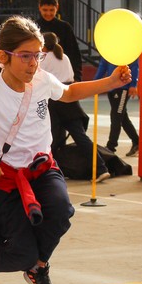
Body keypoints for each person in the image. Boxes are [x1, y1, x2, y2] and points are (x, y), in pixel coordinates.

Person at [0, 15, 131, 284]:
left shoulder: (41, 79)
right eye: (26, 56)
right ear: (4, 56)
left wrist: (111, 81)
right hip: (8, 179)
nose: (33, 63)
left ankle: (38, 268)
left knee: (61, 212)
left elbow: (69, 93)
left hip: (43, 169)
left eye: (38, 56)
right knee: (21, 251)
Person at [40, 32, 110, 183]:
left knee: (53, 140)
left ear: (43, 45)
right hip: (70, 100)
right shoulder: (64, 57)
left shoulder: (44, 59)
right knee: (81, 137)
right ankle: (101, 168)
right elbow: (71, 77)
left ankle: (52, 173)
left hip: (55, 99)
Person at [95, 55, 140, 156]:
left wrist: (133, 85)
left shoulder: (128, 51)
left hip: (123, 88)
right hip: (111, 88)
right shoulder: (108, 51)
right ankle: (137, 142)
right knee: (122, 117)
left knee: (116, 116)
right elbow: (103, 65)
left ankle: (111, 146)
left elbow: (134, 65)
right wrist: (95, 82)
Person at [35, 0, 83, 83]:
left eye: (51, 10)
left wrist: (77, 77)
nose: (48, 13)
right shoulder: (34, 27)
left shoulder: (65, 27)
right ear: (39, 7)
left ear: (57, 7)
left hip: (62, 79)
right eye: (45, 10)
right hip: (41, 79)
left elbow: (74, 54)